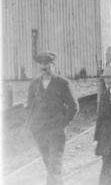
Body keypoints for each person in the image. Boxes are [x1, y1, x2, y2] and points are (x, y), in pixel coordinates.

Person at [26, 51, 78, 185]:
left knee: (54, 166)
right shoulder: (34, 84)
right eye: (42, 65)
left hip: (56, 131)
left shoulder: (62, 83)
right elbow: (30, 107)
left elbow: (73, 106)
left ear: (53, 65)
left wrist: (63, 124)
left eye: (47, 64)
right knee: (49, 165)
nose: (44, 68)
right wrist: (31, 126)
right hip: (39, 132)